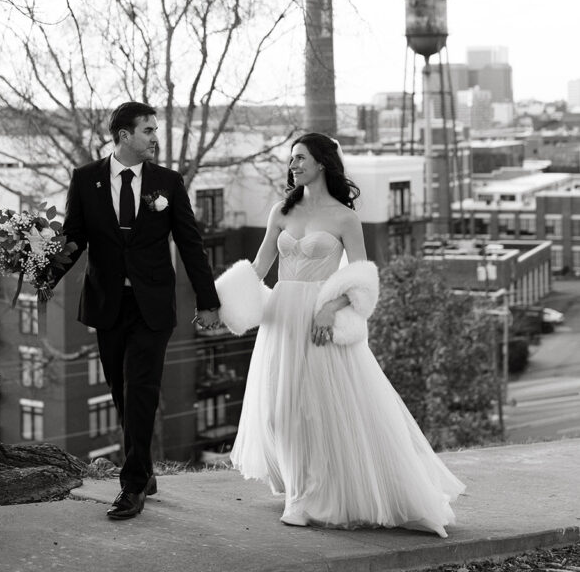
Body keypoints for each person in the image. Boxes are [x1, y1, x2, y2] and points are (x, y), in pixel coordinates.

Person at [222, 132, 466, 534]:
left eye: (300, 158)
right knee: (279, 410)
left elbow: (363, 277)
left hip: (320, 318)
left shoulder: (345, 217)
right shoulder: (281, 210)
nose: (293, 165)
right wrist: (219, 304)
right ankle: (296, 486)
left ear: (321, 163)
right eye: (292, 159)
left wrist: (330, 309)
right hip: (281, 317)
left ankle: (305, 498)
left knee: (313, 409)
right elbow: (259, 267)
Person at [55, 101, 221, 520]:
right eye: (148, 130)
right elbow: (73, 238)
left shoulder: (168, 182)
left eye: (155, 130)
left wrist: (208, 299)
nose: (155, 138)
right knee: (120, 390)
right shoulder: (86, 179)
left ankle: (131, 487)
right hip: (107, 304)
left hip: (152, 306)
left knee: (141, 389)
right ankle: (144, 469)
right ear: (124, 136)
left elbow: (190, 243)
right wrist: (40, 274)